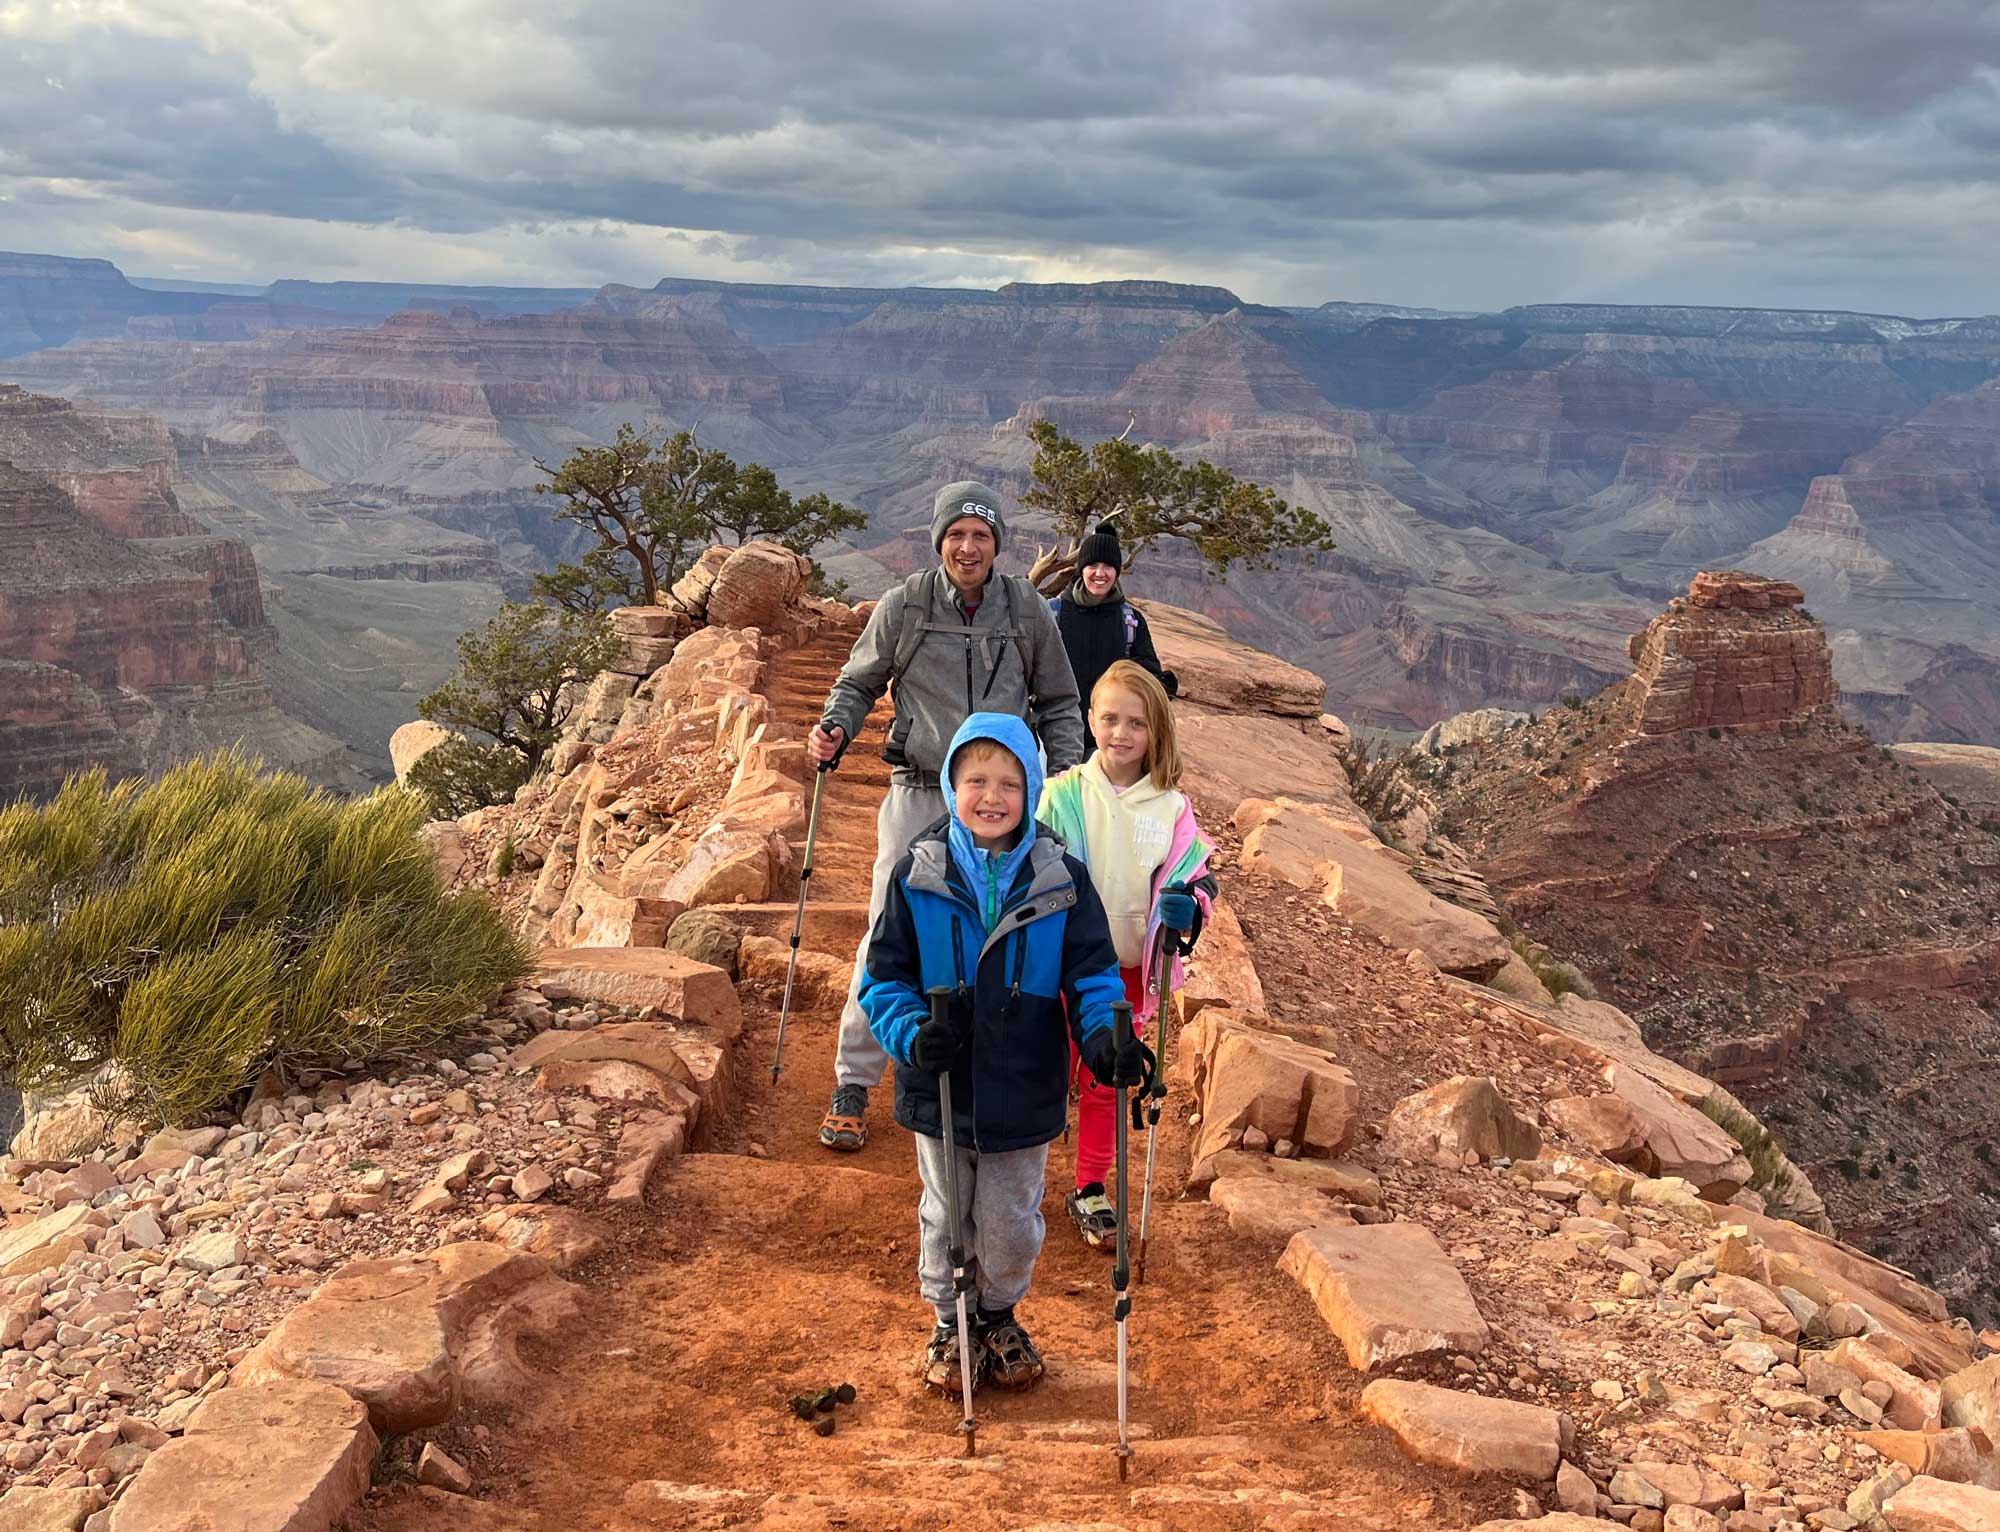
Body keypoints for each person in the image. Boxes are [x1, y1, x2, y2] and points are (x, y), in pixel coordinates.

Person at [858, 712, 1141, 1391]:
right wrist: (912, 1034)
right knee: (946, 1212)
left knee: (1010, 1218)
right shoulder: (916, 873)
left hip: (1024, 1083)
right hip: (943, 1083)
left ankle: (997, 1313)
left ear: (1033, 787)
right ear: (952, 783)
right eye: (976, 779)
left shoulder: (1061, 880)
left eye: (1010, 782)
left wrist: (1105, 1039)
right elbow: (883, 978)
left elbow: (1094, 975)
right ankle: (950, 1323)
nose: (992, 796)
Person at [808, 481, 1087, 1152]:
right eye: (956, 534)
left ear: (997, 546)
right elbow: (858, 682)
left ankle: (985, 1076)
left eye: (981, 536)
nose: (968, 547)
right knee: (890, 931)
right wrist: (835, 730)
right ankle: (855, 1076)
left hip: (1000, 800)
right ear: (939, 542)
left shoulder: (1025, 610)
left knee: (999, 935)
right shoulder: (906, 606)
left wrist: (1069, 772)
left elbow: (1059, 700)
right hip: (922, 789)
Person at [1037, 660, 1216, 1250]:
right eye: (1109, 718)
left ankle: (1088, 1185)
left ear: (1155, 731)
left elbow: (1197, 878)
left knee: (1104, 1078)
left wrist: (1191, 905)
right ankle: (1020, 1174)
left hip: (1131, 973)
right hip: (1057, 964)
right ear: (1091, 720)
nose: (1120, 733)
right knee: (1043, 1066)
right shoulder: (1061, 795)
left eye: (1135, 723)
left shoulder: (1171, 809)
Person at [1048, 519, 1176, 736]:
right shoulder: (1053, 614)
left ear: (1117, 572)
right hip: (1057, 736)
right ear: (1081, 570)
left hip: (1110, 741)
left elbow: (1147, 673)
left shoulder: (1130, 621)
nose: (1100, 573)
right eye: (1092, 565)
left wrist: (1161, 685)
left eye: (1108, 566)